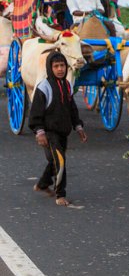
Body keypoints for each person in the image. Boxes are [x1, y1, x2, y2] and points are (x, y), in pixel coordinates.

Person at [29, 51, 86, 207]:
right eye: (56, 66)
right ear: (50, 68)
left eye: (62, 66)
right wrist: (39, 132)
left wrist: (78, 127)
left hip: (63, 132)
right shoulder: (44, 87)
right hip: (49, 132)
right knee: (60, 161)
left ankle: (42, 184)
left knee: (54, 160)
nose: (60, 69)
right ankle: (60, 194)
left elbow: (72, 108)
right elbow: (35, 113)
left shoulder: (67, 85)